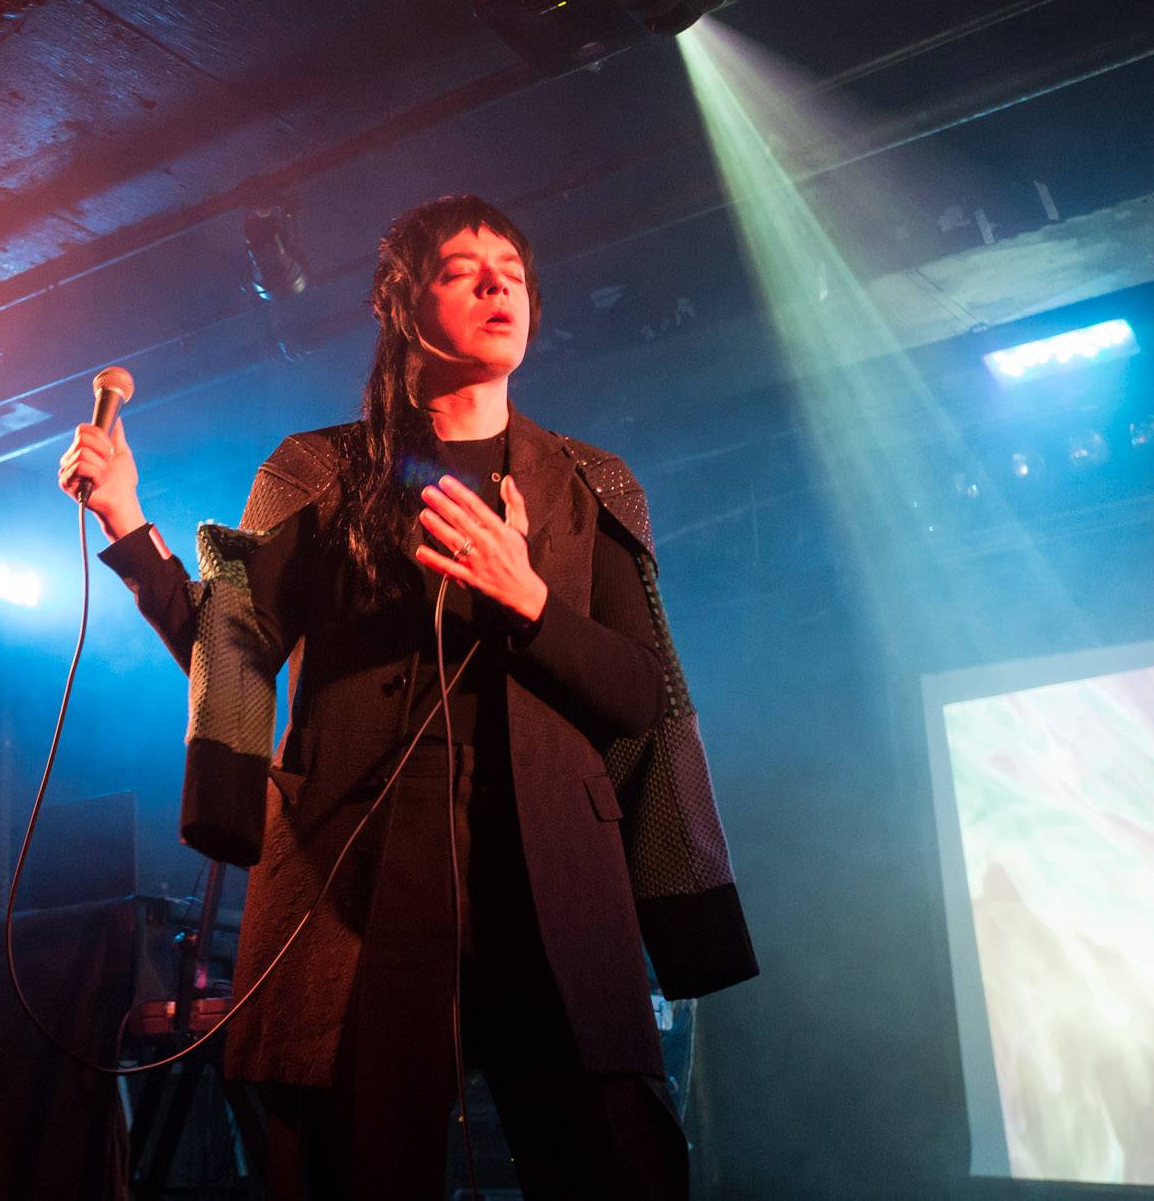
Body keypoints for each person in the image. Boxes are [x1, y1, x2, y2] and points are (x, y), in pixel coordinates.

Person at [58, 195, 756, 1199]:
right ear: (398, 303)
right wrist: (128, 524)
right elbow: (236, 659)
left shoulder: (588, 483)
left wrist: (527, 601)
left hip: (552, 861)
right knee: (354, 1159)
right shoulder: (319, 469)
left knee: (613, 1161)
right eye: (462, 267)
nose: (496, 282)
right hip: (363, 861)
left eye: (511, 269)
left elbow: (640, 695)